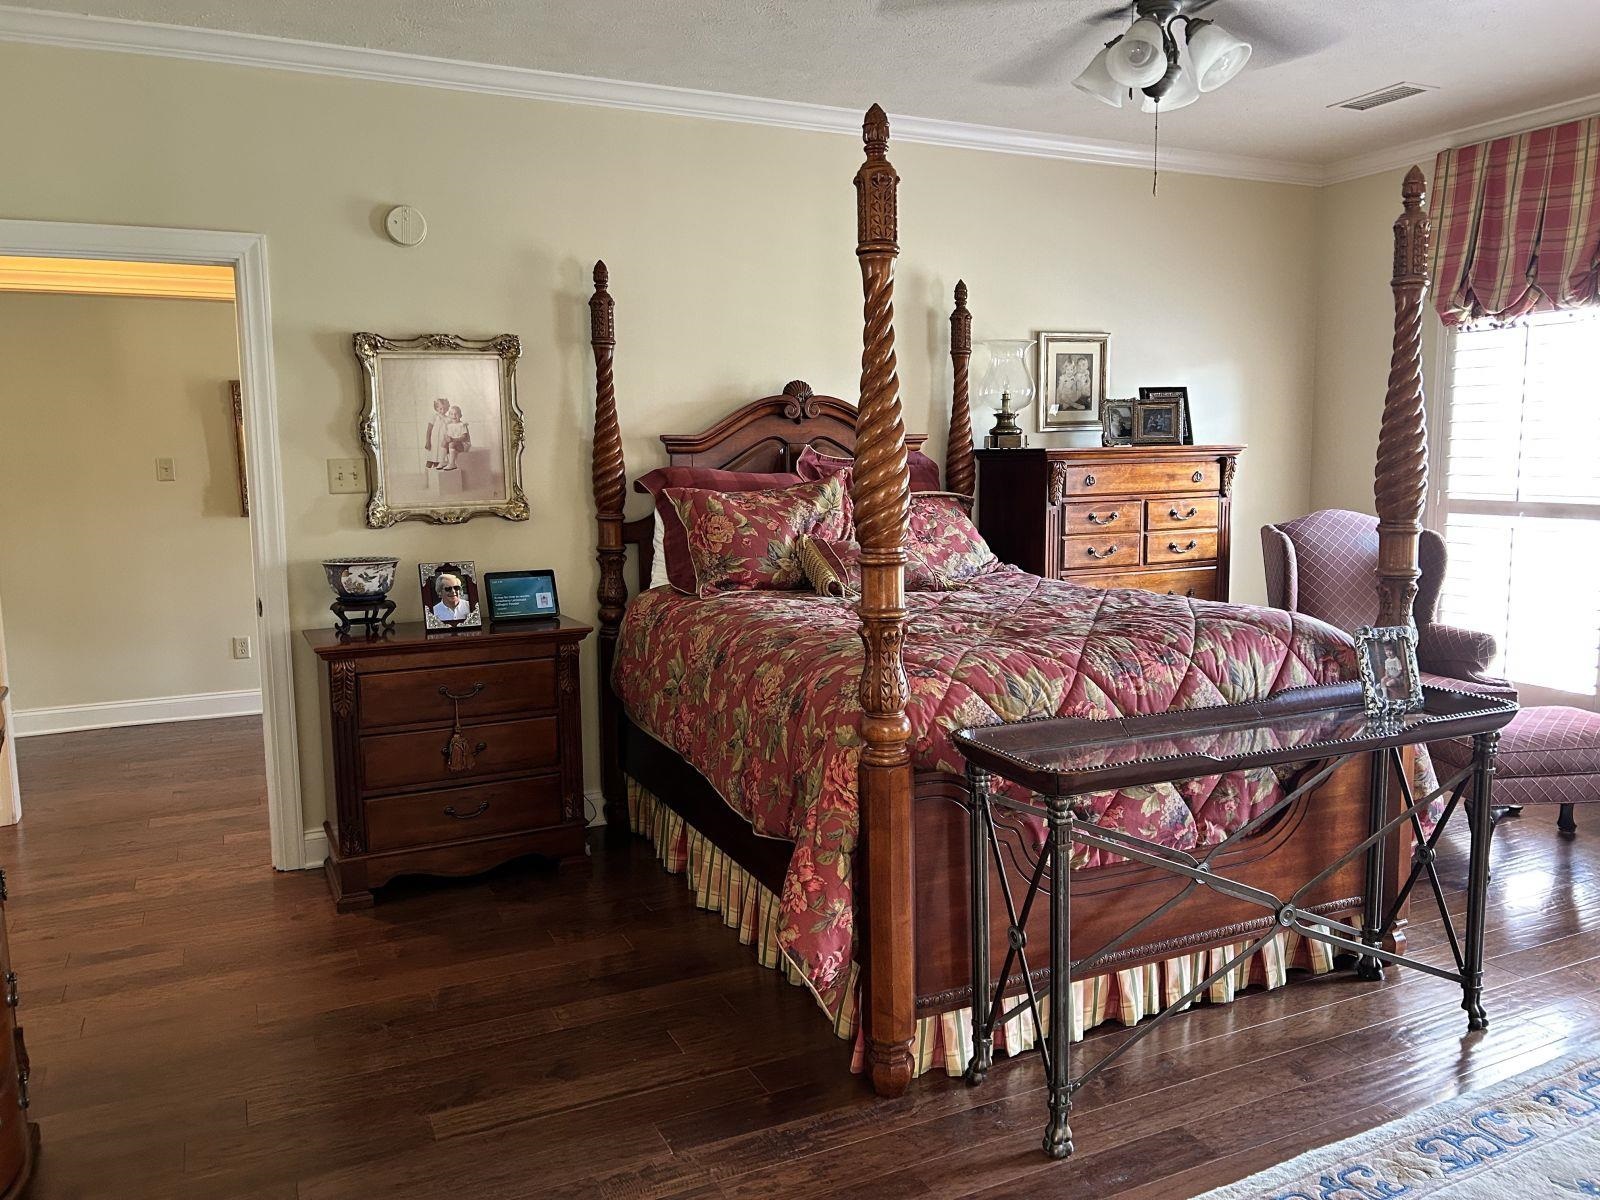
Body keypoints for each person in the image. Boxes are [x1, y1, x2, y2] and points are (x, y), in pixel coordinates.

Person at [439, 405, 472, 471]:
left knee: (451, 444)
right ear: (449, 416)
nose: (454, 416)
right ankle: (442, 461)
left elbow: (463, 437)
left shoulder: (462, 425)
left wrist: (453, 439)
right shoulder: (449, 425)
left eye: (456, 414)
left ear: (460, 415)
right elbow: (448, 435)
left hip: (463, 445)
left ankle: (452, 463)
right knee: (444, 442)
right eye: (451, 414)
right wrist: (447, 438)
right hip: (455, 443)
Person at [423, 397, 449, 469]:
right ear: (436, 408)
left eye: (445, 409)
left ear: (447, 408)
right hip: (433, 442)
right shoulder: (434, 417)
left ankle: (435, 477)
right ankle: (427, 476)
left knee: (438, 460)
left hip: (441, 443)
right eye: (440, 409)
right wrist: (428, 441)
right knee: (430, 459)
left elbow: (449, 431)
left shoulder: (448, 419)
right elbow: (429, 430)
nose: (443, 411)